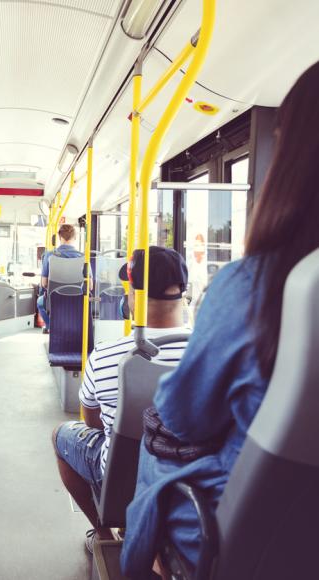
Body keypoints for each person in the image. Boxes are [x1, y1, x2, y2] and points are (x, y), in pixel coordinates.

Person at [120, 61, 319, 580]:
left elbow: (183, 418)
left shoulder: (255, 288)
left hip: (249, 542)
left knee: (156, 437)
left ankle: (140, 557)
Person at [52, 246, 190, 553]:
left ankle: (103, 533)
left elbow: (91, 421)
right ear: (182, 292)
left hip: (122, 483)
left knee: (61, 436)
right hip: (190, 484)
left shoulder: (105, 356)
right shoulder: (209, 354)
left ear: (133, 296)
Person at [38, 224, 84, 333]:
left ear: (59, 237)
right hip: (77, 300)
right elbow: (90, 285)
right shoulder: (82, 257)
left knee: (40, 302)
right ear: (75, 237)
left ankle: (52, 328)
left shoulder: (49, 256)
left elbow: (44, 283)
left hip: (55, 300)